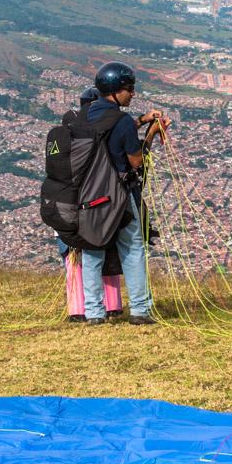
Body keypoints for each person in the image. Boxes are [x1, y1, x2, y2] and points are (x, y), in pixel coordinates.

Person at [81, 61, 170, 325]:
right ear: (116, 90)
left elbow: (110, 131)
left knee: (92, 251)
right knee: (132, 248)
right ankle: (140, 309)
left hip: (88, 194)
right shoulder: (122, 122)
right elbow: (136, 162)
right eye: (129, 89)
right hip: (119, 195)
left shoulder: (85, 115)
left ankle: (94, 312)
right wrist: (151, 134)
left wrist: (140, 121)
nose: (133, 93)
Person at [58, 84, 124, 322]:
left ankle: (78, 308)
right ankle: (112, 305)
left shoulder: (70, 133)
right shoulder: (107, 132)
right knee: (105, 250)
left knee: (74, 254)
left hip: (69, 201)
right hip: (101, 202)